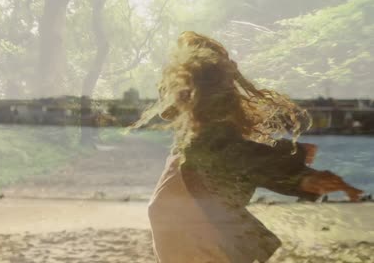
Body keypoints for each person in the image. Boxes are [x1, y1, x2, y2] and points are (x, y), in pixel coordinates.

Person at [132, 31, 364, 263]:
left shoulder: (204, 144)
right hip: (197, 237)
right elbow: (241, 157)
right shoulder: (193, 147)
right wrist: (296, 168)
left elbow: (239, 158)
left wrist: (299, 175)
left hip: (200, 239)